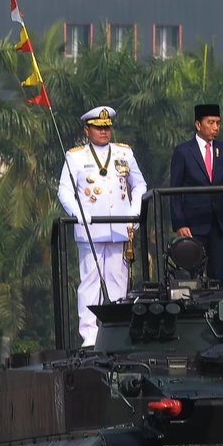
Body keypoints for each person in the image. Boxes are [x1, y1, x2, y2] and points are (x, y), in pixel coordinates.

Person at [57, 105, 147, 347]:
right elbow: (64, 191)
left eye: (107, 127)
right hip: (91, 228)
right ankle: (89, 334)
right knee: (90, 281)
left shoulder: (123, 153)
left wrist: (133, 212)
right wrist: (78, 214)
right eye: (98, 128)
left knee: (118, 280)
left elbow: (139, 185)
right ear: (87, 130)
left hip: (119, 226)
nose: (104, 132)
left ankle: (117, 330)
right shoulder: (75, 156)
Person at [169, 103, 223, 286]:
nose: (215, 127)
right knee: (192, 274)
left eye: (218, 123)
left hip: (219, 222)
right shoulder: (183, 151)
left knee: (219, 273)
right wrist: (179, 223)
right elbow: (174, 190)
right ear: (198, 125)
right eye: (210, 122)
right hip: (193, 223)